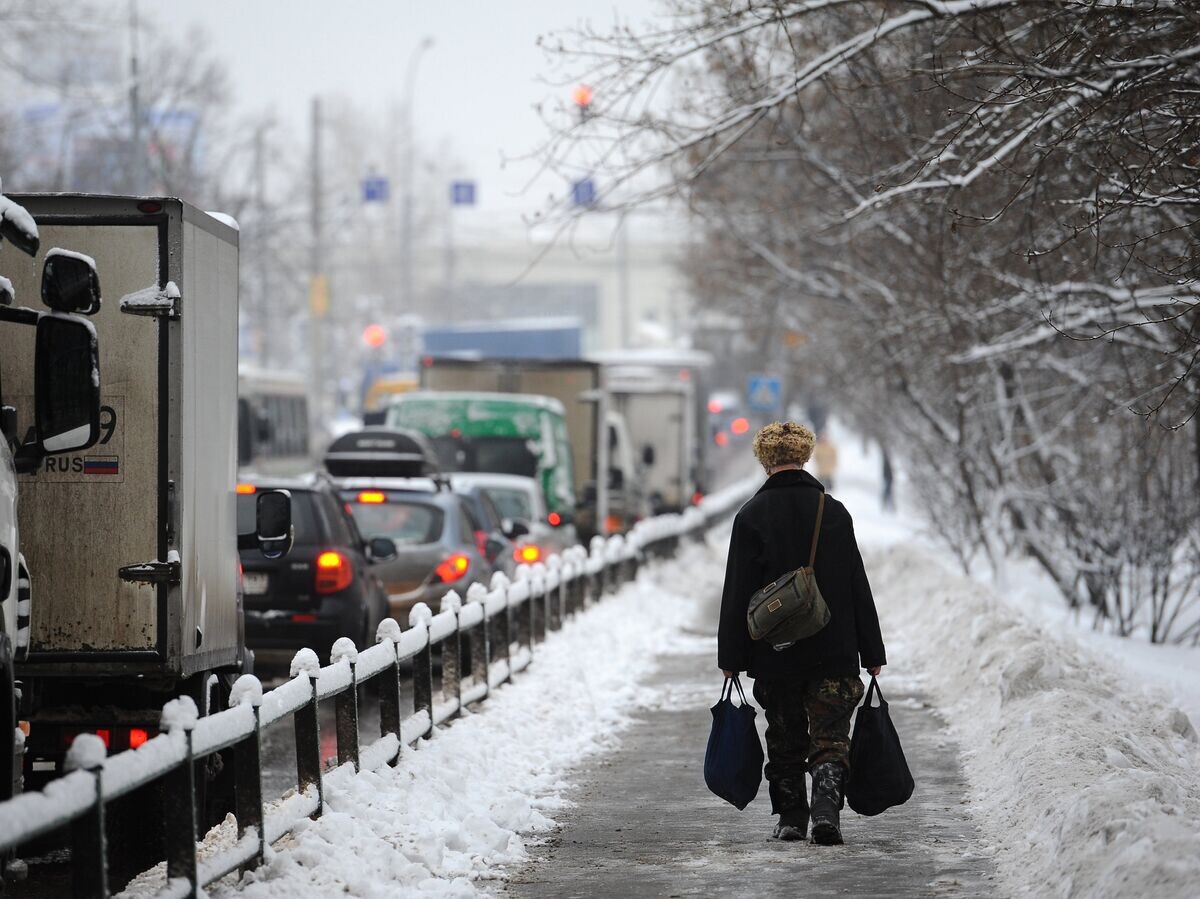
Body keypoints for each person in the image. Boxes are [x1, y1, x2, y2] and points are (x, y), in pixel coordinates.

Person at [718, 421, 886, 845]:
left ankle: (792, 818)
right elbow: (856, 583)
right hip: (835, 650)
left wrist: (731, 658)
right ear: (805, 456)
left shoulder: (750, 516)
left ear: (764, 459)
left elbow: (737, 591)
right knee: (831, 736)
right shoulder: (833, 512)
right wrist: (872, 650)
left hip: (777, 655)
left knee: (785, 737)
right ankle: (827, 813)